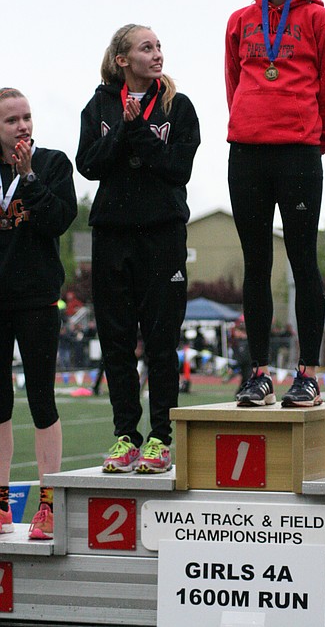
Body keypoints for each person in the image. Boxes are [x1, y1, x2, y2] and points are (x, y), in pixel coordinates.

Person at [225, 0, 325, 408]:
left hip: (298, 154)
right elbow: (233, 83)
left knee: (303, 260)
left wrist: (314, 139)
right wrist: (248, 123)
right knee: (256, 263)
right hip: (248, 153)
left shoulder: (319, 19)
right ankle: (258, 373)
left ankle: (308, 374)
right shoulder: (239, 21)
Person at [76, 24, 200, 473]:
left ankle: (160, 438)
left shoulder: (177, 107)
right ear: (123, 59)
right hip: (112, 235)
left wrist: (140, 130)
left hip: (163, 236)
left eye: (160, 46)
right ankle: (125, 435)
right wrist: (121, 131)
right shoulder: (101, 105)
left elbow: (176, 169)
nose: (157, 53)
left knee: (162, 340)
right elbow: (87, 164)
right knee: (116, 340)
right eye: (146, 47)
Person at [0, 87, 77, 538]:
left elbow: (58, 221)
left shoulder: (53, 163)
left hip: (38, 299)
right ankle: (3, 502)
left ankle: (47, 504)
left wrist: (29, 179)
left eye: (26, 117)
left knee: (42, 401)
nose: (23, 126)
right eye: (12, 120)